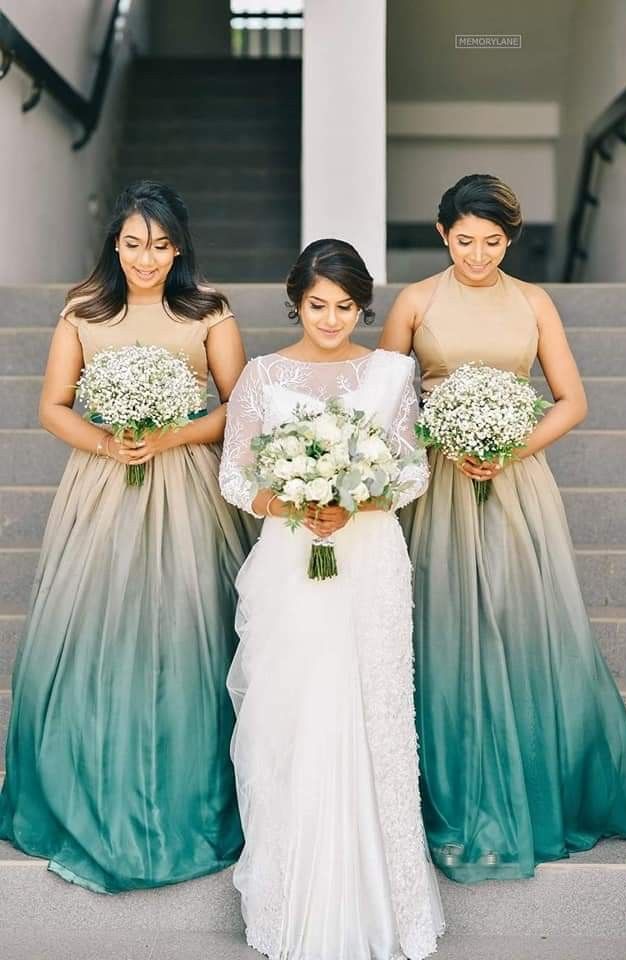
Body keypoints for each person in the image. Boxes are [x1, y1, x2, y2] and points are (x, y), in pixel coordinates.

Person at [379, 173, 626, 883]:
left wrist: (508, 448)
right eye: (464, 240)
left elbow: (569, 398)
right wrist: (436, 434)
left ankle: (534, 784)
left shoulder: (532, 301)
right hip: (435, 482)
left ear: (509, 240)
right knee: (443, 620)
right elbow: (383, 397)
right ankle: (451, 784)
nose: (477, 254)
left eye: (492, 242)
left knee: (520, 619)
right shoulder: (414, 301)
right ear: (441, 234)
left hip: (513, 480)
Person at [0, 180, 257, 893]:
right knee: (92, 629)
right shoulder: (84, 309)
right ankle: (83, 782)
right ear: (116, 242)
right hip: (103, 487)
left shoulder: (207, 309)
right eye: (135, 243)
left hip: (187, 492)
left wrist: (172, 433)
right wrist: (107, 443)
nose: (147, 259)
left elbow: (241, 406)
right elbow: (52, 406)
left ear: (179, 247)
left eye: (162, 245)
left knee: (189, 628)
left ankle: (188, 786)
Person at [219, 238, 445, 959]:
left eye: (345, 307)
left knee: (372, 710)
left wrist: (358, 499)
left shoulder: (389, 372)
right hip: (290, 559)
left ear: (362, 306)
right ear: (296, 300)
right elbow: (232, 477)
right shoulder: (261, 374)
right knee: (295, 710)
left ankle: (389, 901)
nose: (330, 318)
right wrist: (290, 501)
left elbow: (411, 472)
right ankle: (294, 899)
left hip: (370, 555)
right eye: (318, 305)